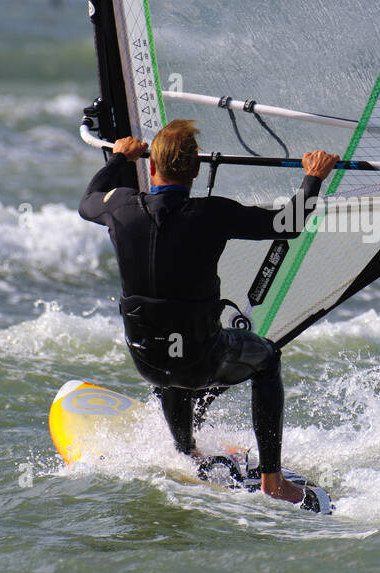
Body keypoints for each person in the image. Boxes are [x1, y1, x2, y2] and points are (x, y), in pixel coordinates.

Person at [79, 118, 338, 504]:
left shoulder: (119, 207)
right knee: (267, 358)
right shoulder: (212, 214)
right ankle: (273, 482)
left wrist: (119, 159)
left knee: (168, 353)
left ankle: (185, 452)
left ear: (151, 167)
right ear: (197, 171)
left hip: (147, 362)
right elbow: (289, 223)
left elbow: (87, 202)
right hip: (203, 359)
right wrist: (314, 177)